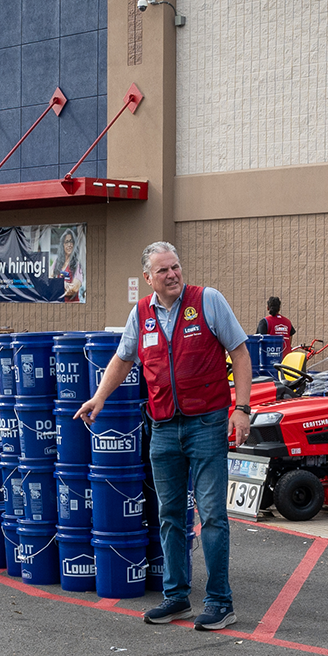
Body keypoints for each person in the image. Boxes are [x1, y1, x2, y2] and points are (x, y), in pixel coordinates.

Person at [75, 241, 252, 631]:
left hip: (206, 424)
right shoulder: (141, 314)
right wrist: (99, 398)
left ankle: (220, 602)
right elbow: (123, 359)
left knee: (212, 515)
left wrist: (242, 408)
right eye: (163, 270)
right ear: (148, 278)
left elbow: (240, 352)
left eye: (175, 267)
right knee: (170, 516)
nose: (172, 275)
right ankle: (176, 597)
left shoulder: (207, 301)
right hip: (163, 427)